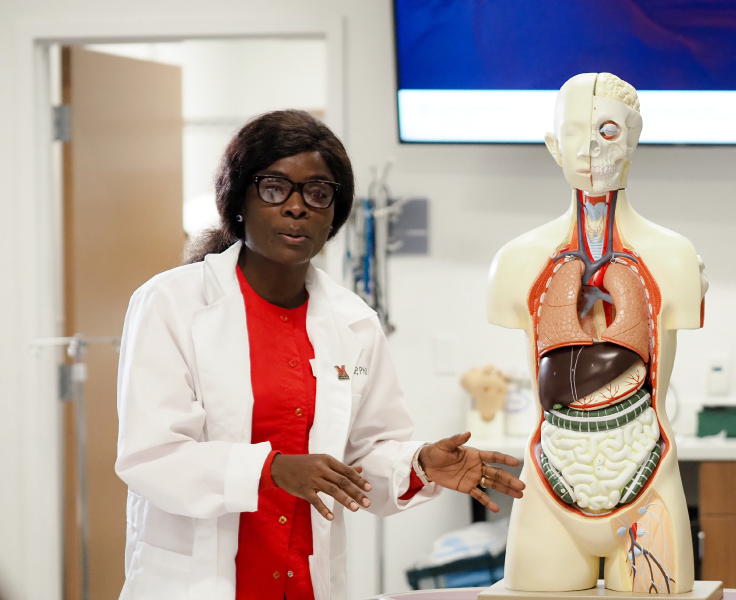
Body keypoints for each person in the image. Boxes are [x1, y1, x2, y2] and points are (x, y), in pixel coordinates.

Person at [115, 110, 525, 600]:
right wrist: (272, 470)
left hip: (303, 582)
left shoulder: (353, 322)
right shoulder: (172, 304)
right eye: (274, 188)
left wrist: (417, 464)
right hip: (197, 583)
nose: (296, 207)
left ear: (334, 213)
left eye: (317, 193)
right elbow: (152, 456)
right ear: (239, 200)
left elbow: (365, 456)